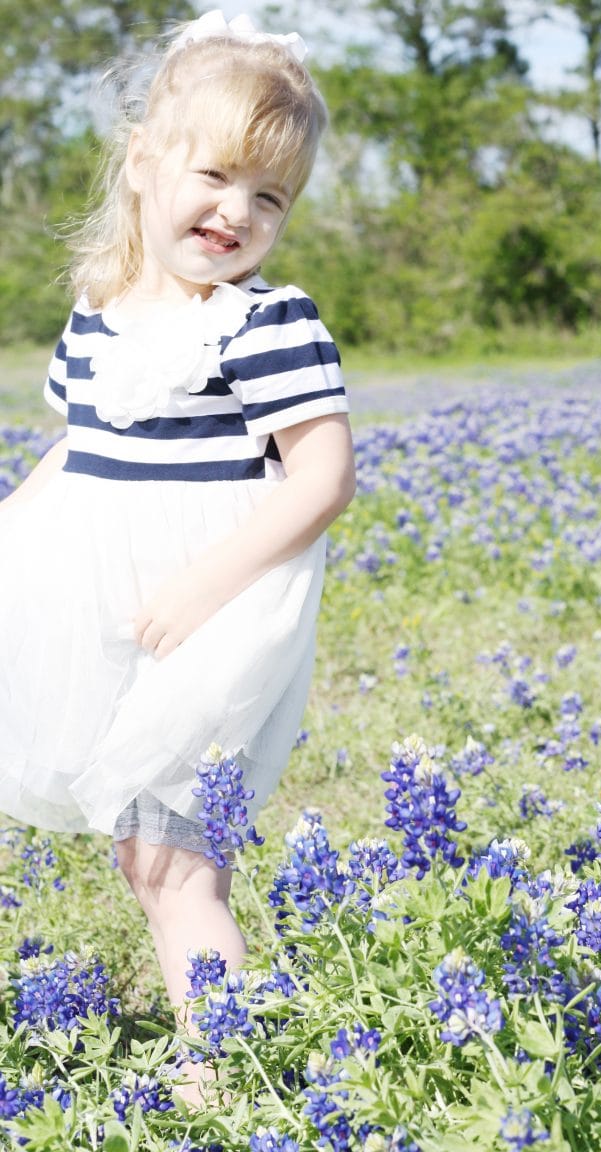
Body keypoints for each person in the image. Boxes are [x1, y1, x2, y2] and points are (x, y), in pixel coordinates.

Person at [0, 6, 355, 1070]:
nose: (237, 210)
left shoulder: (268, 322)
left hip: (216, 613)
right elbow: (82, 448)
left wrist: (205, 588)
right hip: (110, 610)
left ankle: (221, 1073)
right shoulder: (97, 313)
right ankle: (217, 1048)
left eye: (270, 196)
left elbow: (324, 478)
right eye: (215, 175)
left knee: (177, 863)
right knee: (141, 855)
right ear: (144, 162)